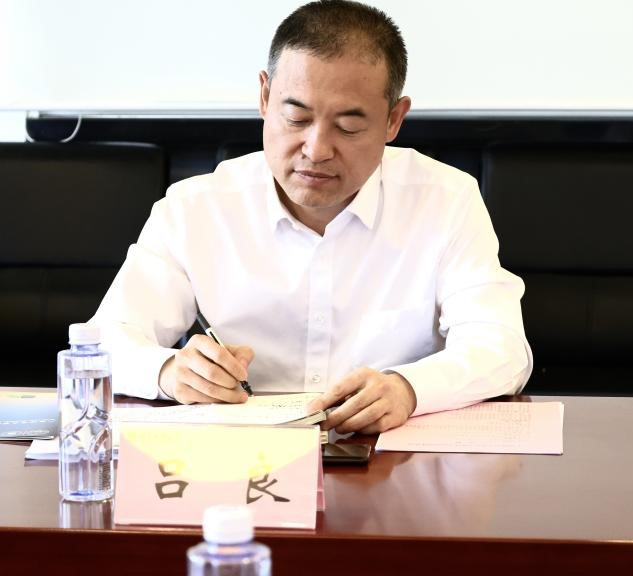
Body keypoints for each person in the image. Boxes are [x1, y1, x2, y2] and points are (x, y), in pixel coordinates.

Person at [92, 0, 532, 434]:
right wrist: (168, 371)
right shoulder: (196, 208)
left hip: (389, 461)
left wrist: (408, 388)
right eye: (296, 117)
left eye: (348, 127)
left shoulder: (446, 200)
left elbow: (501, 346)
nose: (317, 150)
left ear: (393, 120)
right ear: (265, 98)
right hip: (244, 459)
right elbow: (102, 340)